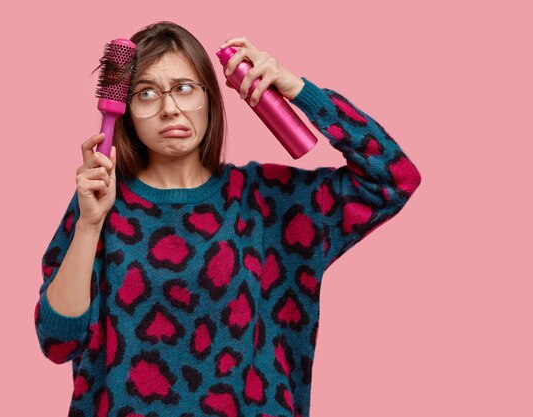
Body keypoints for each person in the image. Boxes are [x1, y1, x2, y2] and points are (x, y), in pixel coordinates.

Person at [34, 21, 421, 417]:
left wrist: (300, 91)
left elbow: (393, 178)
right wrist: (89, 224)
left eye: (184, 88)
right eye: (146, 93)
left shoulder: (268, 200)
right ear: (127, 110)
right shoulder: (99, 202)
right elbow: (57, 342)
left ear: (211, 98)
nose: (170, 108)